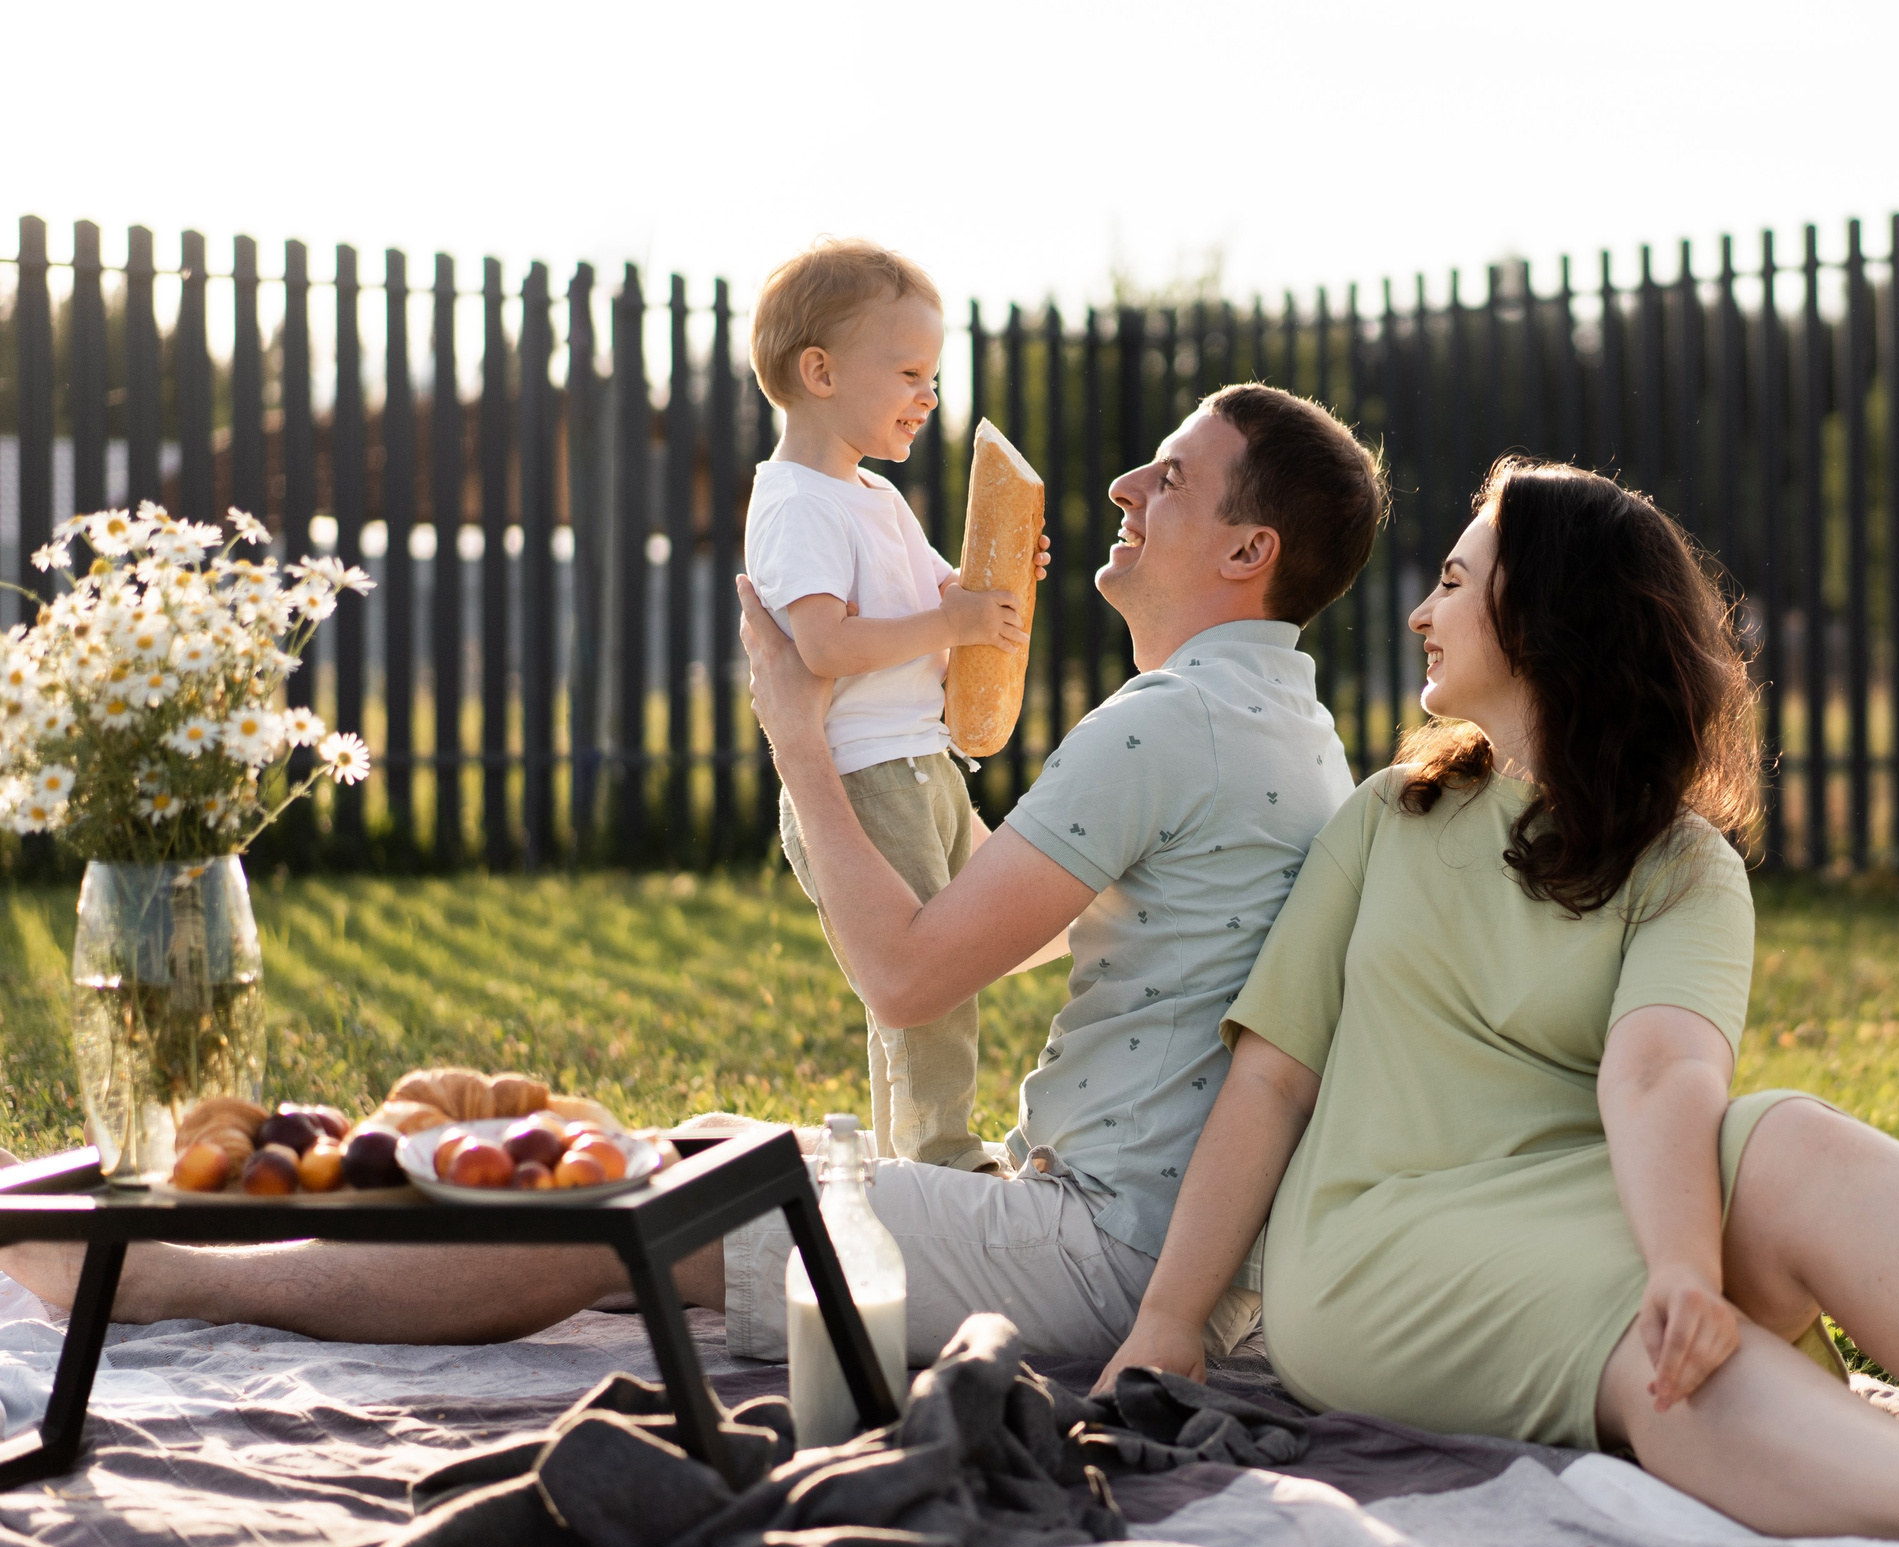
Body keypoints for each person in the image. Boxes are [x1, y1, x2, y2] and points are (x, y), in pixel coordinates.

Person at [1094, 459, 1899, 1547]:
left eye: (1452, 581)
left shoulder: (1682, 865)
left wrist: (1683, 1263)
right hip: (1377, 1248)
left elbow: (1662, 1080)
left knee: (1791, 1138)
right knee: (1657, 1335)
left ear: (1541, 616)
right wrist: (1168, 1322)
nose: (1421, 613)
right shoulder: (1389, 818)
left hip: (1588, 1194)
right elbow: (1270, 1085)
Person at [0, 384, 1389, 1373]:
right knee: (716, 1138)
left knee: (636, 1219)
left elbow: (907, 973)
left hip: (1097, 1258)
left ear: (1247, 550)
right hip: (1146, 1240)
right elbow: (1016, 934)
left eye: (1168, 476)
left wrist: (802, 747)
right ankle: (337, 1220)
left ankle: (167, 1276)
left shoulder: (1164, 722)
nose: (1123, 491)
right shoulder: (1282, 725)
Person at [745, 238, 1030, 1171]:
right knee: (927, 982)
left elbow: (936, 597)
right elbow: (824, 645)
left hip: (922, 763)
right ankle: (939, 1155)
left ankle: (911, 1154)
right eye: (909, 371)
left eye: (933, 375)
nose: (929, 395)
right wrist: (951, 620)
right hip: (867, 775)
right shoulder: (797, 504)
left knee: (933, 970)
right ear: (819, 372)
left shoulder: (878, 497)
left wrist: (989, 588)